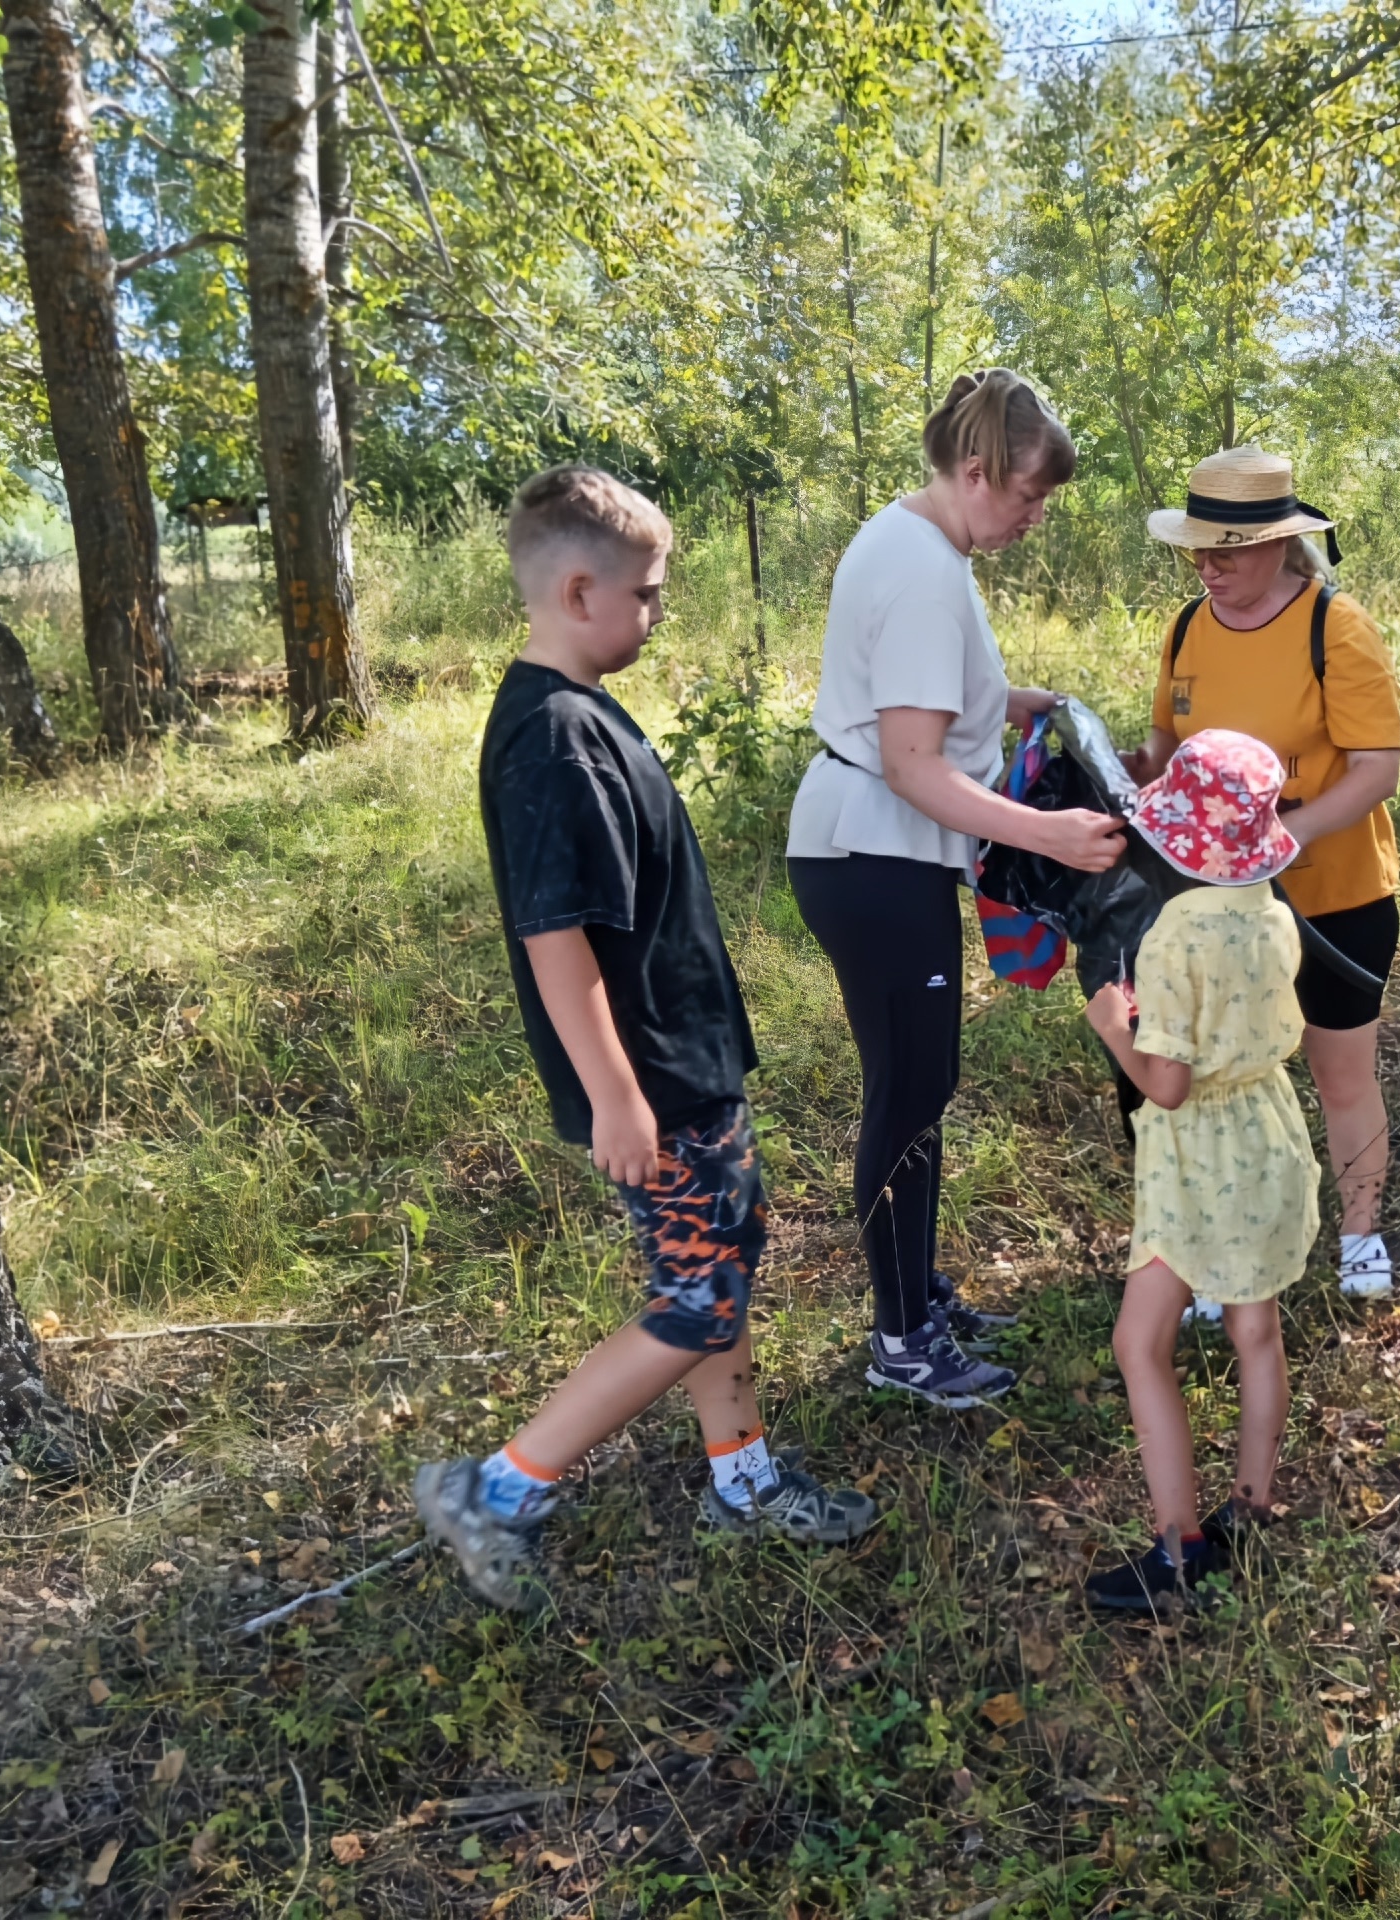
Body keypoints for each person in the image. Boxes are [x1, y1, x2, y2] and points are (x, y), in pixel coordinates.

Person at [416, 466, 874, 1611]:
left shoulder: (576, 710)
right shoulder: (554, 739)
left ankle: (743, 1475)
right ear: (580, 592)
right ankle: (497, 1489)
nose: (659, 611)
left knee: (721, 1265)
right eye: (649, 593)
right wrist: (617, 1095)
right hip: (654, 1082)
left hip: (686, 1064)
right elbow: (554, 936)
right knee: (695, 1298)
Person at [787, 371, 1127, 1407]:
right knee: (907, 1093)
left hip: (876, 850)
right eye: (1029, 495)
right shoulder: (925, 572)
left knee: (924, 1084)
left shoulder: (920, 545)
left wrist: (1006, 699)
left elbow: (915, 696)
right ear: (975, 472)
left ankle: (918, 1296)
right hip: (873, 851)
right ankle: (902, 1341)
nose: (1035, 516)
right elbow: (910, 763)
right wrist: (1049, 834)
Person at [1125, 447, 1400, 1302]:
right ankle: (1219, 1255)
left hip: (1333, 899)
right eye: (1196, 550)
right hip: (1213, 908)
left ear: (1278, 544)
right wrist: (1121, 773)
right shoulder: (1186, 628)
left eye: (1227, 552)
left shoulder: (1334, 627)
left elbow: (1376, 768)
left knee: (1340, 1075)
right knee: (1216, 1082)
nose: (1207, 567)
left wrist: (1284, 836)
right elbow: (1166, 748)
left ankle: (1359, 1233)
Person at [1081, 731, 1321, 1610]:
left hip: (1195, 1161)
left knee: (1139, 1344)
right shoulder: (1271, 910)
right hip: (1267, 1130)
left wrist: (1115, 1027)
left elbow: (1169, 1086)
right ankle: (1249, 1512)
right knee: (1255, 1330)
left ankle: (1178, 1555)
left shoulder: (1175, 934)